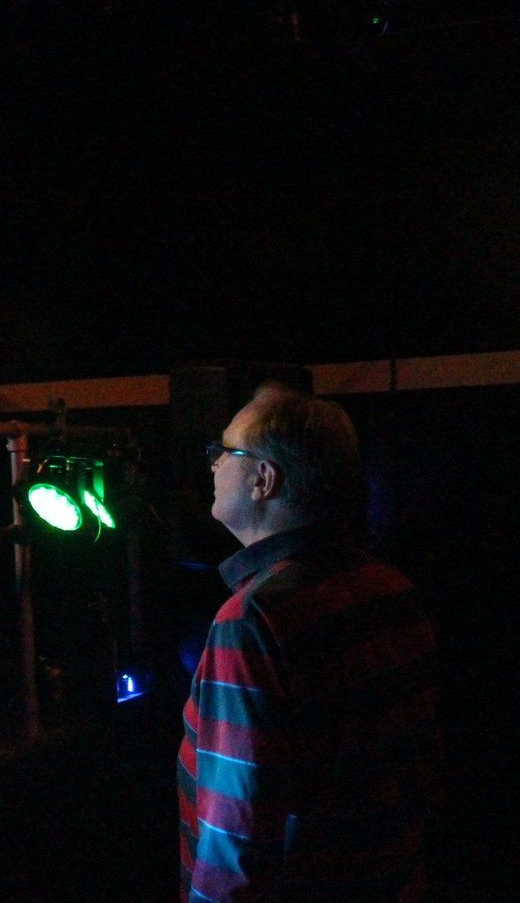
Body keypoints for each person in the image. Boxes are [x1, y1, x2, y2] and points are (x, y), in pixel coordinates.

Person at [178, 382, 439, 903]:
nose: (212, 465)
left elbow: (238, 833)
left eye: (223, 452)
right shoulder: (391, 587)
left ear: (263, 479)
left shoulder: (253, 620)